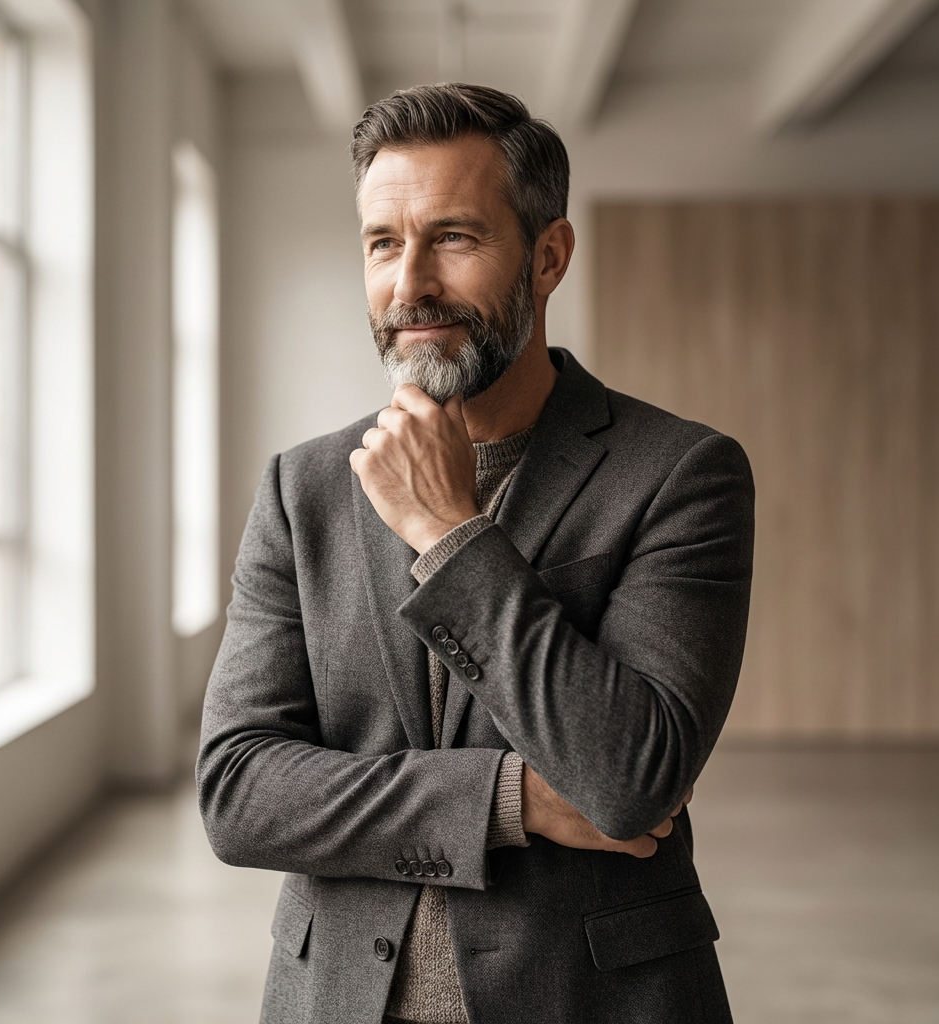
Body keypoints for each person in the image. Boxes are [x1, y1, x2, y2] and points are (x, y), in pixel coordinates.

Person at [197, 83, 754, 1024]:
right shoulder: (304, 487)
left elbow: (630, 779)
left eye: (453, 237)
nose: (409, 283)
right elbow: (239, 792)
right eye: (383, 243)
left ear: (548, 256)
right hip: (340, 997)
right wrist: (510, 797)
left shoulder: (681, 474)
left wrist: (449, 532)